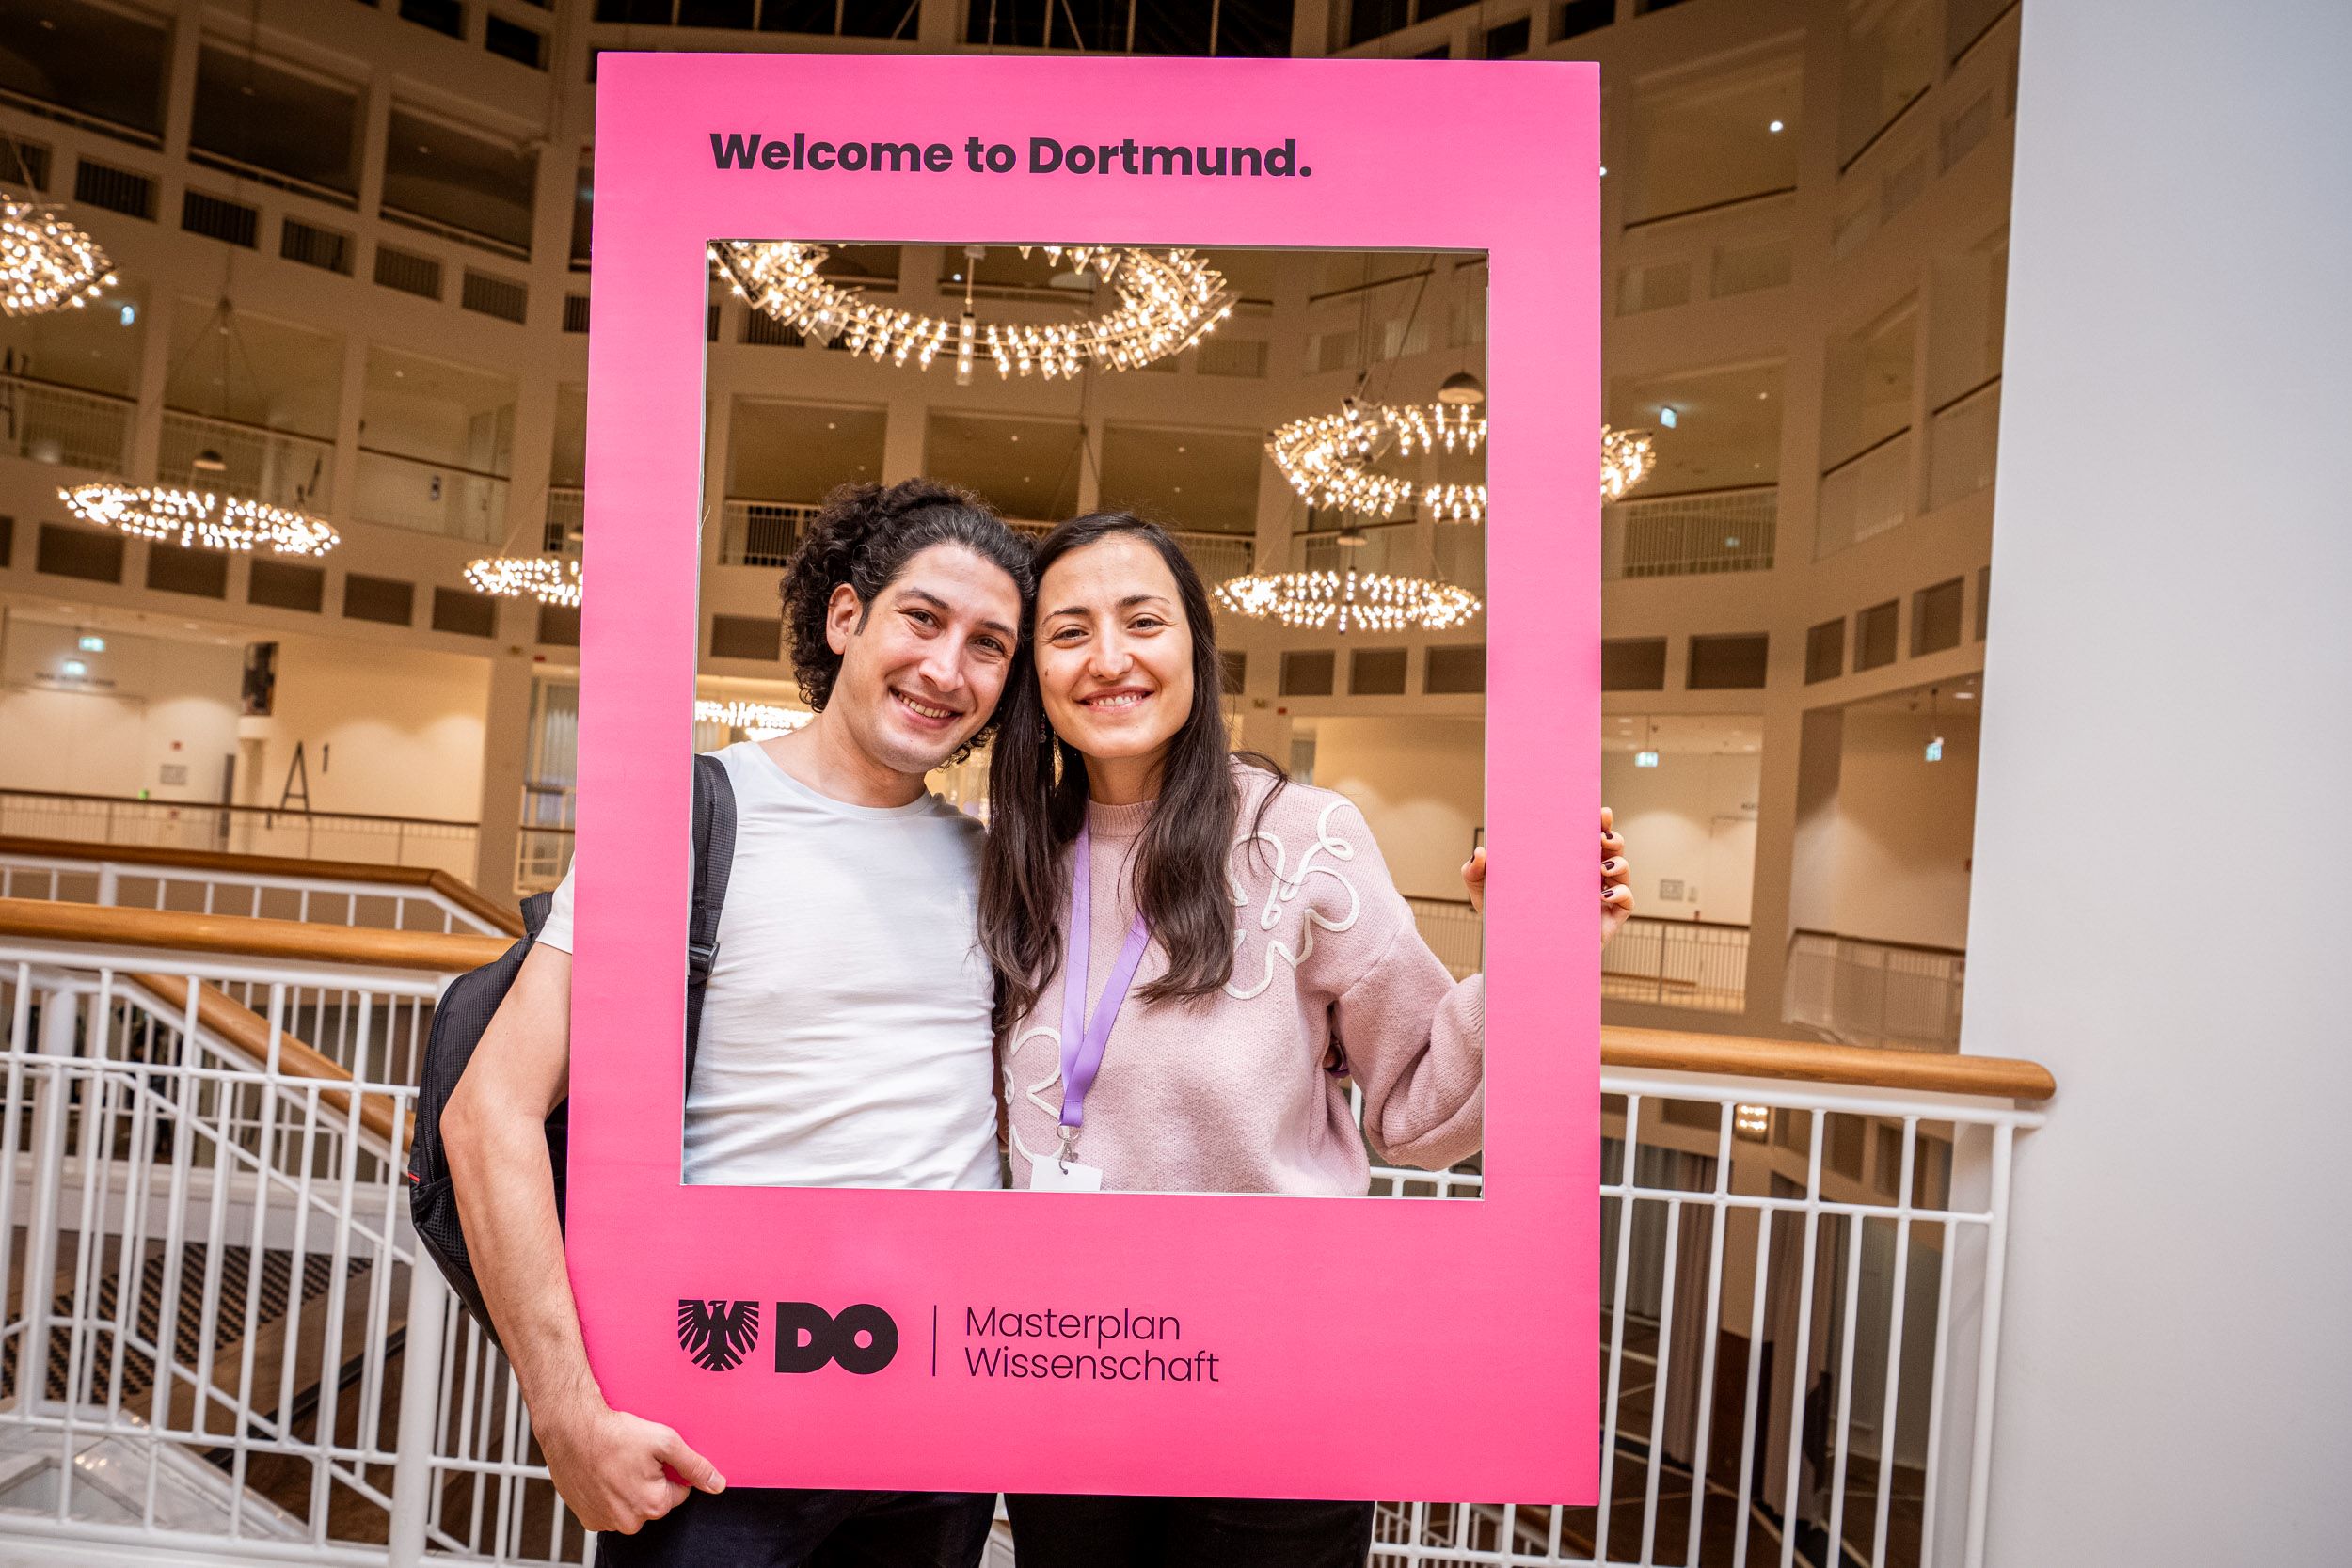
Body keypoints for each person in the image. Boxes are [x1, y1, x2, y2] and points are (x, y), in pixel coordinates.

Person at [977, 512, 1632, 1566]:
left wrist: (1537, 956)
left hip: (1277, 1370)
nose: (1109, 659)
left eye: (1142, 620)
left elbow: (1420, 1110)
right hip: (1070, 1369)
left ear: (1194, 644)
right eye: (1068, 631)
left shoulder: (1299, 836)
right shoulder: (1007, 855)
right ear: (1030, 672)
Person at [440, 479, 1035, 1566]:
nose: (949, 669)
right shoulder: (688, 818)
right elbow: (490, 1113)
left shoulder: (992, 866)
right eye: (922, 618)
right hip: (719, 1431)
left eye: (989, 644)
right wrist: (566, 1409)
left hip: (937, 1437)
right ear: (845, 616)